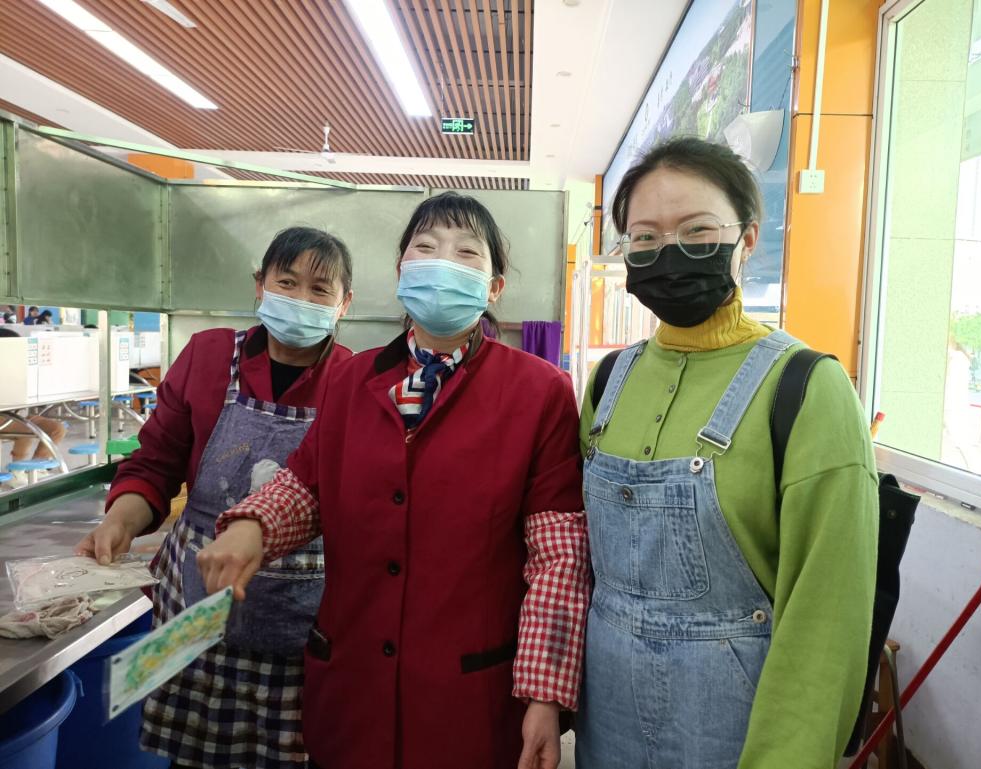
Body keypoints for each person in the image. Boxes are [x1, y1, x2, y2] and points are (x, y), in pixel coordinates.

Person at [197, 192, 590, 769]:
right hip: (351, 692)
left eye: (466, 253)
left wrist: (544, 694)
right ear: (402, 270)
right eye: (425, 248)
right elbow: (306, 486)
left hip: (467, 702)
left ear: (494, 288)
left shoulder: (540, 392)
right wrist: (251, 526)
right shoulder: (353, 380)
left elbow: (558, 557)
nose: (442, 263)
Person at [573, 138, 879, 769]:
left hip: (735, 731)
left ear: (748, 239)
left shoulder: (807, 388)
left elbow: (827, 615)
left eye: (697, 230)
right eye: (645, 238)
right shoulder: (608, 382)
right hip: (606, 724)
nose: (669, 253)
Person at [75, 226, 355, 769]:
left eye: (320, 289)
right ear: (260, 285)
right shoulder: (208, 355)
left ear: (344, 304)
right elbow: (156, 461)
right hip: (192, 601)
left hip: (301, 614)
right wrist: (120, 522)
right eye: (287, 282)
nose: (301, 298)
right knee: (187, 756)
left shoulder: (353, 382)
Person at [0, 329, 66, 487]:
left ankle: (34, 468)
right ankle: (17, 472)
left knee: (57, 428)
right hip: (6, 417)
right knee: (28, 427)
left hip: (19, 415)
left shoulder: (21, 369)